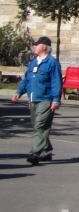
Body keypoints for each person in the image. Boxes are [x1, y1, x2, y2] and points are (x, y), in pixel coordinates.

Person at [11, 36, 62, 165]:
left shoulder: (52, 62)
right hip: (34, 99)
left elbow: (57, 82)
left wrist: (56, 100)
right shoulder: (34, 62)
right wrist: (19, 92)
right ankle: (46, 151)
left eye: (37, 45)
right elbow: (27, 79)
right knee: (37, 127)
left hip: (46, 99)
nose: (34, 47)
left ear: (44, 47)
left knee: (40, 126)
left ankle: (35, 153)